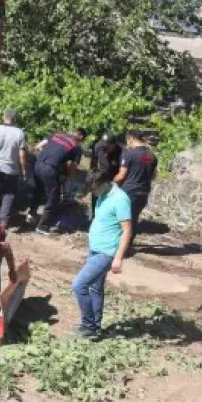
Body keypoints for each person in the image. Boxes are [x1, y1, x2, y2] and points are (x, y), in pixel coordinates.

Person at [72, 171, 133, 339]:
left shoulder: (120, 199)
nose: (93, 193)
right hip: (95, 249)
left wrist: (118, 258)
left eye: (94, 189)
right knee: (95, 288)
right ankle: (95, 328)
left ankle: (88, 325)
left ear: (105, 183)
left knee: (78, 285)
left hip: (106, 253)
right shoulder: (102, 195)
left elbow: (127, 231)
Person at [30, 128, 87, 235]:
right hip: (51, 168)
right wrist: (67, 179)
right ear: (81, 137)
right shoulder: (77, 147)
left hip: (38, 164)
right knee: (54, 197)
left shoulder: (57, 135)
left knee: (39, 190)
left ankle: (31, 214)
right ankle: (42, 227)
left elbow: (37, 147)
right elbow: (72, 168)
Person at [114, 130, 158, 248]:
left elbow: (121, 175)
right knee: (133, 219)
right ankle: (128, 246)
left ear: (131, 138)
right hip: (144, 191)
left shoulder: (129, 154)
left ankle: (119, 247)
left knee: (121, 219)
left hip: (129, 191)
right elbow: (153, 176)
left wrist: (110, 183)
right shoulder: (151, 155)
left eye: (127, 140)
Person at [89, 131, 123, 221]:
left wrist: (116, 183)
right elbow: (93, 163)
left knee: (111, 201)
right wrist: (92, 176)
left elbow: (123, 171)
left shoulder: (122, 153)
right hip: (101, 175)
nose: (104, 146)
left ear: (114, 144)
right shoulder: (98, 147)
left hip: (115, 177)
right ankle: (94, 217)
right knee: (96, 196)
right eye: (103, 144)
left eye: (107, 145)